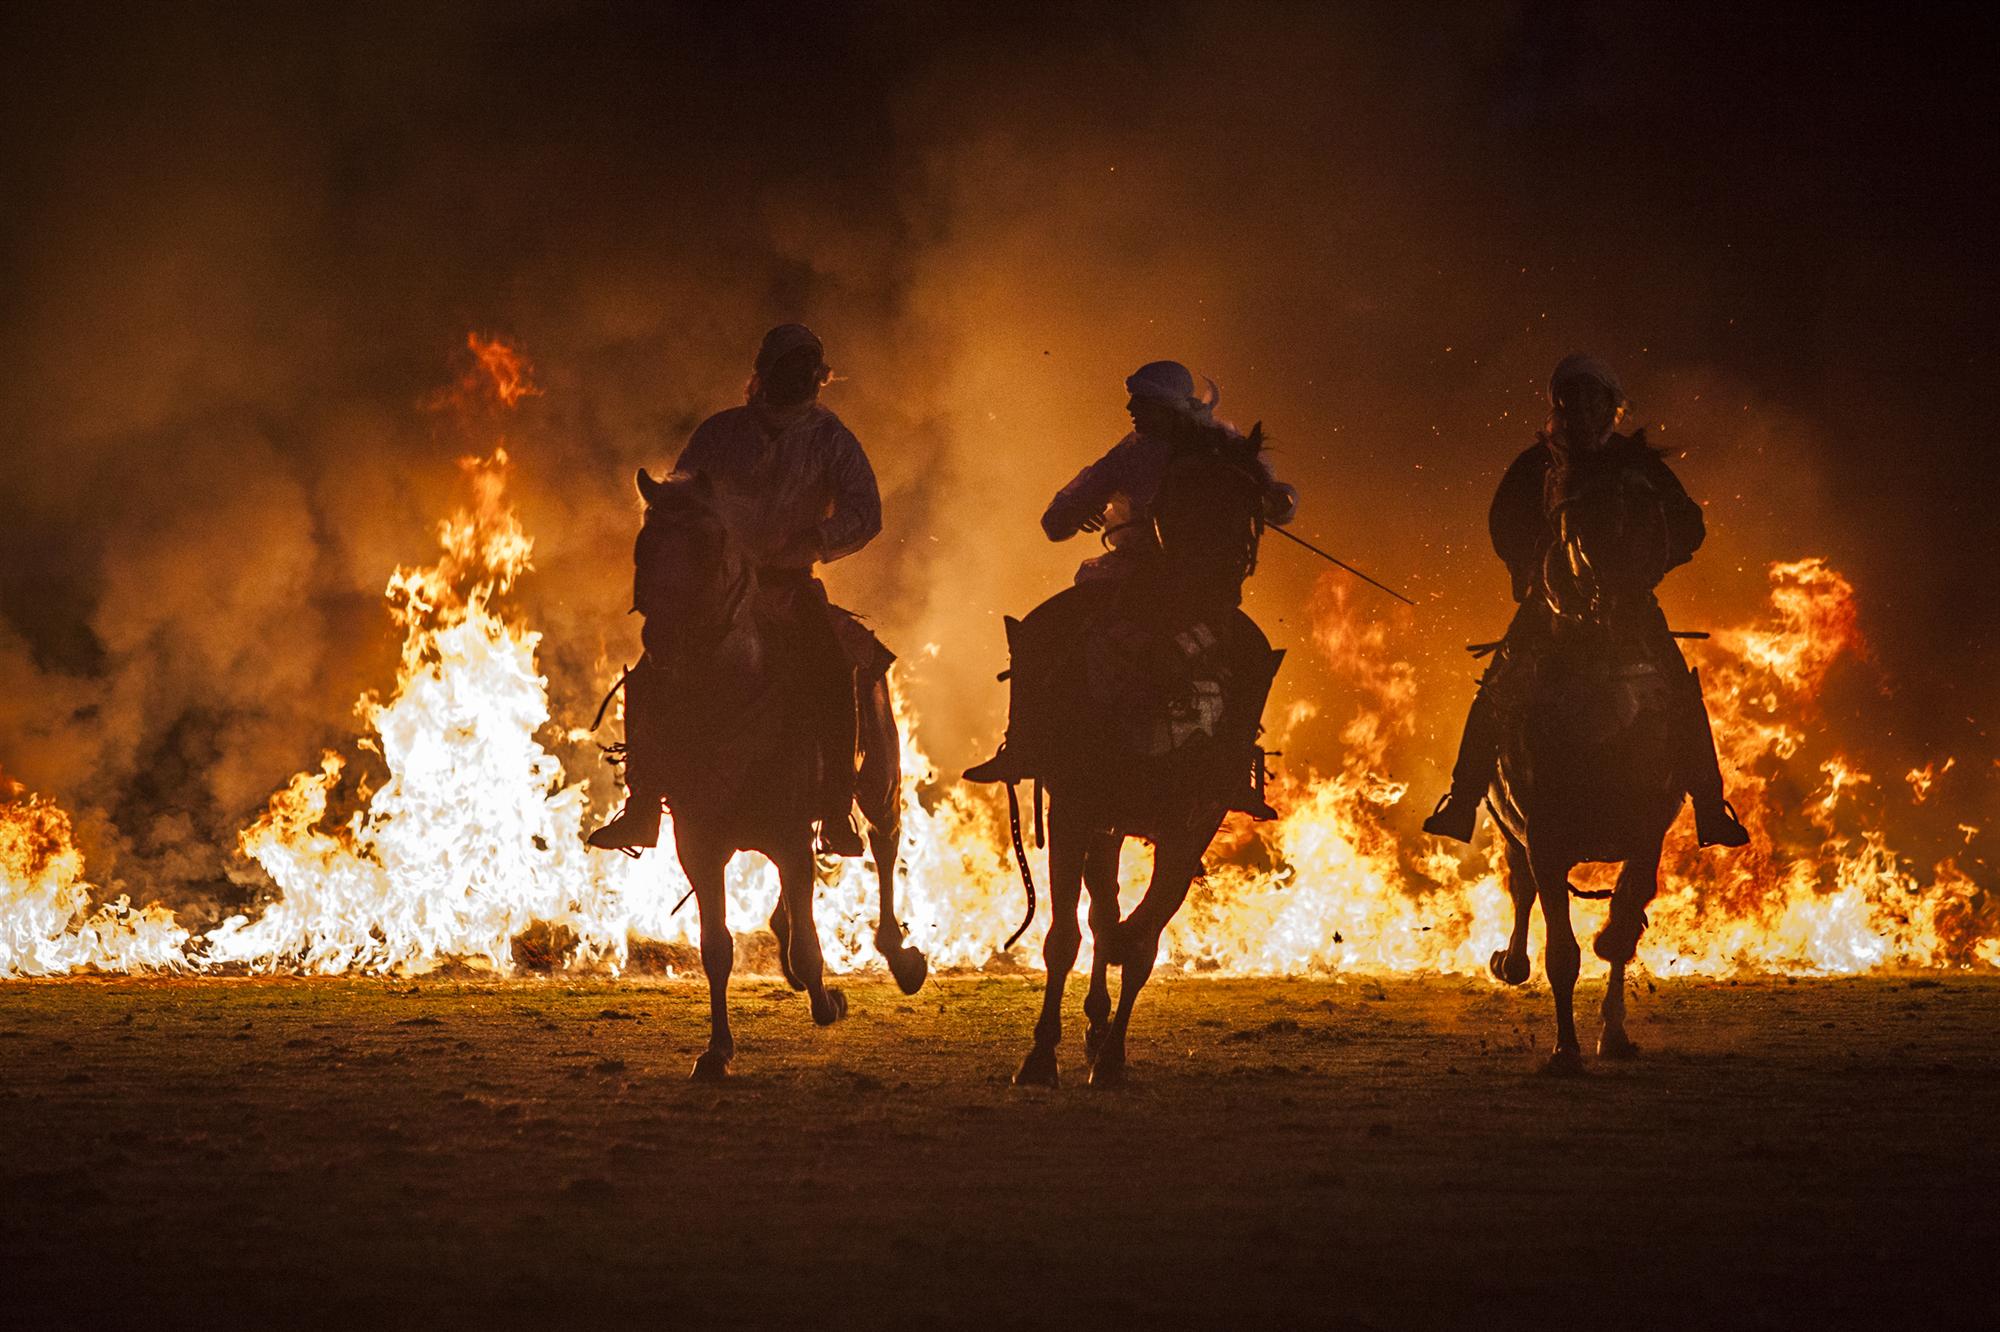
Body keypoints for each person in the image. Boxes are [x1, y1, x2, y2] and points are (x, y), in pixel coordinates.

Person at [1421, 353, 1750, 847]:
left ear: (1609, 406)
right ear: (1561, 406)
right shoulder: (1537, 464)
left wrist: (1651, 562)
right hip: (1550, 601)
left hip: (1629, 604)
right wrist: (1527, 569)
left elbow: (1688, 525)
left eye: (1593, 401)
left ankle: (1709, 806)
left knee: (1679, 690)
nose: (1584, 411)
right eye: (1573, 401)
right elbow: (1505, 522)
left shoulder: (1635, 463)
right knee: (1498, 686)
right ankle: (1463, 801)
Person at [589, 323, 889, 856]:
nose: (801, 381)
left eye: (809, 371)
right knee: (653, 673)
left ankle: (837, 808)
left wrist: (815, 540)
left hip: (789, 589)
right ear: (765, 374)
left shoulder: (830, 440)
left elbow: (865, 512)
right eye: (789, 370)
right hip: (715, 596)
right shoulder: (720, 433)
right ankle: (642, 807)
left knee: (829, 668)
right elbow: (676, 503)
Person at [963, 360, 1297, 787]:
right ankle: (1232, 771)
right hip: (1192, 592)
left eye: (1142, 400)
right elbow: (1282, 506)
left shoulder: (1157, 452)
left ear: (1168, 406)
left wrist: (1076, 514)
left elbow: (1056, 523)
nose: (1131, 408)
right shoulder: (1217, 447)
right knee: (1252, 655)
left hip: (1143, 584)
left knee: (1038, 634)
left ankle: (1024, 745)